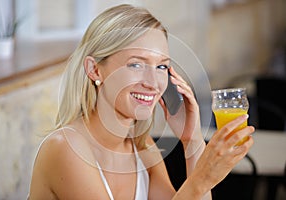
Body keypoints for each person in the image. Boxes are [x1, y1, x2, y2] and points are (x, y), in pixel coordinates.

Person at [28, 4, 255, 200]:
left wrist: (192, 141)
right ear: (95, 69)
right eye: (136, 64)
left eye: (161, 66)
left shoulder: (141, 146)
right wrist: (201, 180)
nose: (153, 83)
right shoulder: (66, 147)